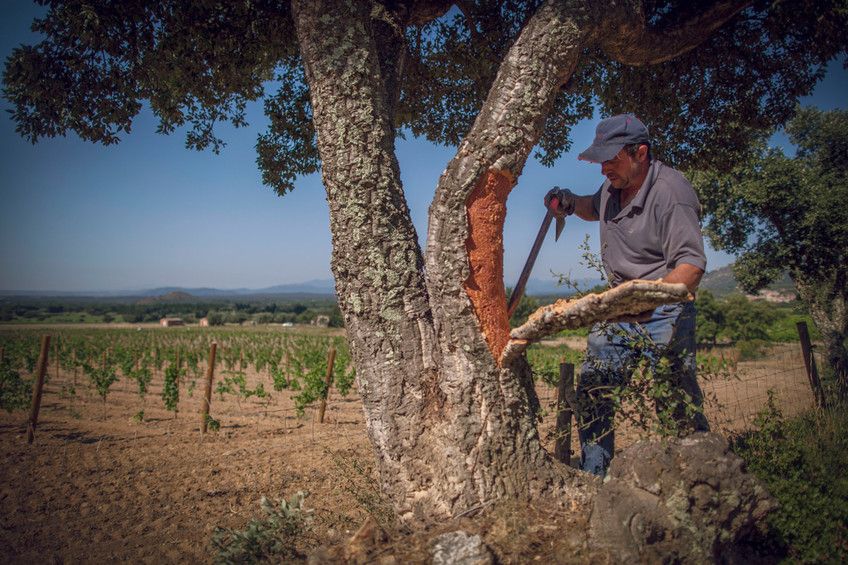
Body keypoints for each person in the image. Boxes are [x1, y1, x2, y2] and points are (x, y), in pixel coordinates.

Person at [544, 113, 710, 476]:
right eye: (601, 160)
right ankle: (595, 477)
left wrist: (645, 301)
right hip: (618, 308)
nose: (604, 169)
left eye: (611, 159)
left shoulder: (671, 193)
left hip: (664, 312)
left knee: (674, 399)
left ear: (640, 153)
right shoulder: (613, 187)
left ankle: (700, 475)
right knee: (593, 389)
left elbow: (691, 267)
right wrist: (570, 203)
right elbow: (595, 207)